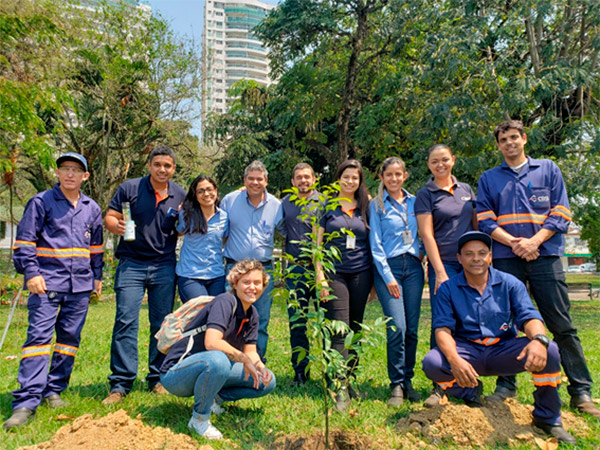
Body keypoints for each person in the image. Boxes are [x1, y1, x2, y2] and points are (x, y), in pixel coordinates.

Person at [477, 119, 600, 419]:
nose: (509, 143)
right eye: (503, 139)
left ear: (524, 139)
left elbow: (561, 213)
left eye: (514, 137)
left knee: (561, 324)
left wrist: (534, 242)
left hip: (545, 257)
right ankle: (506, 386)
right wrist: (515, 243)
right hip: (506, 259)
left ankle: (580, 391)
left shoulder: (548, 169)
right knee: (505, 323)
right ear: (498, 145)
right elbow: (485, 219)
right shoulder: (489, 178)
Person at [422, 231, 576, 444]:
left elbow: (529, 317)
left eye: (482, 253)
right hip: (468, 352)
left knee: (549, 350)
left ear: (490, 256)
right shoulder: (448, 288)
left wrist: (539, 340)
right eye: (469, 254)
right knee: (433, 362)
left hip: (504, 350)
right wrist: (455, 360)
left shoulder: (510, 283)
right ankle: (468, 391)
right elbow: (442, 330)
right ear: (459, 258)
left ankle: (547, 417)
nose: (476, 258)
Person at [4, 153, 103, 429]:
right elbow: (24, 242)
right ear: (57, 174)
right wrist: (32, 274)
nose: (70, 174)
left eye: (76, 170)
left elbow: (96, 248)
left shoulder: (91, 208)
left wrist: (97, 277)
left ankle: (54, 389)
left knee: (69, 341)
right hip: (46, 282)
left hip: (80, 285)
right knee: (38, 340)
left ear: (85, 176)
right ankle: (26, 402)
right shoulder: (41, 202)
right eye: (65, 169)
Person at [102, 145, 186, 404]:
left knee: (162, 325)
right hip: (131, 263)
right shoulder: (130, 188)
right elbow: (111, 216)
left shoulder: (180, 194)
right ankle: (120, 383)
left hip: (164, 265)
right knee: (125, 321)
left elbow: (183, 229)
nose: (162, 169)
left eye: (168, 165)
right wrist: (114, 225)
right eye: (158, 164)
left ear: (173, 169)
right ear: (149, 165)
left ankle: (158, 378)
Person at [160, 260, 276, 440]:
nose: (252, 287)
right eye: (246, 282)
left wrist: (260, 367)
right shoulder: (226, 301)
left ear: (264, 286)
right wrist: (243, 359)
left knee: (268, 381)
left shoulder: (252, 313)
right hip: (177, 373)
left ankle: (215, 399)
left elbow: (251, 351)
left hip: (210, 368)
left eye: (257, 283)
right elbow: (212, 343)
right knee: (218, 359)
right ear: (235, 283)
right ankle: (199, 420)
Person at [414, 144, 476, 406]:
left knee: (470, 321)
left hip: (472, 265)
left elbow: (475, 225)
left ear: (453, 160)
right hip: (445, 265)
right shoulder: (425, 194)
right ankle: (440, 385)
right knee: (443, 322)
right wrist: (439, 271)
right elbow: (427, 235)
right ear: (428, 165)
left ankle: (469, 382)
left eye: (444, 160)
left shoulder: (466, 190)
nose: (440, 165)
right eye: (434, 161)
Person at [316, 159, 373, 411]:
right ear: (338, 178)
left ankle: (349, 379)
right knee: (339, 329)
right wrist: (320, 278)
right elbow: (317, 247)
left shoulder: (366, 206)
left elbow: (373, 242)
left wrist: (374, 284)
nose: (350, 181)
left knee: (356, 329)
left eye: (355, 178)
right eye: (346, 176)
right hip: (334, 274)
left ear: (360, 182)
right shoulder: (326, 206)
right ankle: (338, 387)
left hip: (362, 273)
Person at [370, 157, 424, 406]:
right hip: (388, 269)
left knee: (412, 330)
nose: (393, 179)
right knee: (397, 328)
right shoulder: (377, 205)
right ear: (381, 177)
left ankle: (408, 381)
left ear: (405, 175)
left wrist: (421, 251)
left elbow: (423, 230)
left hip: (413, 268)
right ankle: (396, 384)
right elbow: (376, 243)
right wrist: (387, 276)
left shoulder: (416, 202)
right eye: (388, 175)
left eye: (398, 174)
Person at [220, 160, 285, 361]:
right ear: (244, 180)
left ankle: (258, 362)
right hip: (235, 268)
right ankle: (231, 361)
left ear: (266, 181)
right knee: (231, 316)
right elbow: (220, 232)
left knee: (262, 319)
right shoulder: (230, 200)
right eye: (251, 178)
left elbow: (285, 231)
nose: (255, 182)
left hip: (264, 270)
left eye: (259, 179)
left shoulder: (276, 205)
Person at [281, 162, 321, 385]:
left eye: (307, 177)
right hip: (295, 268)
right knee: (297, 322)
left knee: (325, 319)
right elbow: (279, 228)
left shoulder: (324, 203)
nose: (303, 180)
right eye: (299, 177)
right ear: (293, 182)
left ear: (314, 179)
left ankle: (329, 369)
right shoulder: (285, 204)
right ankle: (300, 371)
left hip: (320, 268)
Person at [176, 175, 228, 302]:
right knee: (199, 312)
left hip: (216, 275)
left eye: (209, 189)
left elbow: (223, 240)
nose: (206, 194)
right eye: (201, 191)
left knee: (216, 315)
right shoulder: (186, 215)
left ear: (216, 191)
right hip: (190, 275)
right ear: (195, 194)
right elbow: (178, 233)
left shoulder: (224, 217)